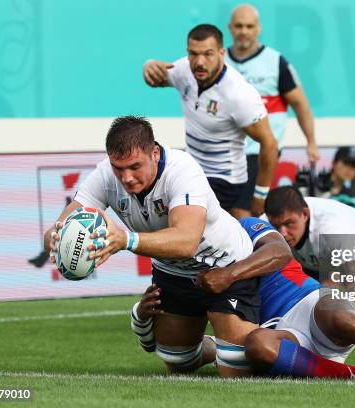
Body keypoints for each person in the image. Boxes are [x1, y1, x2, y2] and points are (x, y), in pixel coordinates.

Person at [45, 116, 277, 378]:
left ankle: (269, 332)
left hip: (225, 265)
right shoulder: (105, 175)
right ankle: (216, 347)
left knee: (236, 373)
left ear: (154, 153)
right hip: (174, 272)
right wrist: (56, 239)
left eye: (135, 166)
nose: (127, 178)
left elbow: (187, 241)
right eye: (118, 168)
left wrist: (126, 240)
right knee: (179, 364)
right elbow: (60, 225)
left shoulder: (182, 170)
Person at [132, 217, 355, 381]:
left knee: (340, 314)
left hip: (309, 305)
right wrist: (141, 317)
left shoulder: (247, 226)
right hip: (279, 332)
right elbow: (180, 353)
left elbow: (280, 252)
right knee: (258, 348)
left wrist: (231, 274)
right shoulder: (187, 263)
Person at [143, 24, 278, 217]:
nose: (200, 62)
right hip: (191, 169)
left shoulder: (238, 94)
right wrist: (148, 66)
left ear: (221, 53)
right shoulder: (184, 70)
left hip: (225, 180)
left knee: (183, 223)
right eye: (194, 54)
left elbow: (270, 144)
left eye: (208, 54)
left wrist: (260, 195)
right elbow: (155, 78)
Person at [225, 4, 319, 218]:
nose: (243, 31)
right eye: (239, 26)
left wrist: (311, 141)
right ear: (230, 28)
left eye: (249, 26)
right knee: (228, 212)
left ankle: (249, 251)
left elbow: (300, 104)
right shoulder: (220, 62)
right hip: (227, 150)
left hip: (260, 149)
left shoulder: (275, 62)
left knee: (242, 210)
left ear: (258, 28)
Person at [263, 186, 355, 311]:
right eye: (276, 226)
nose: (282, 233)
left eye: (289, 224)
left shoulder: (333, 229)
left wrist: (346, 329)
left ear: (305, 214)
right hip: (324, 261)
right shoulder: (264, 222)